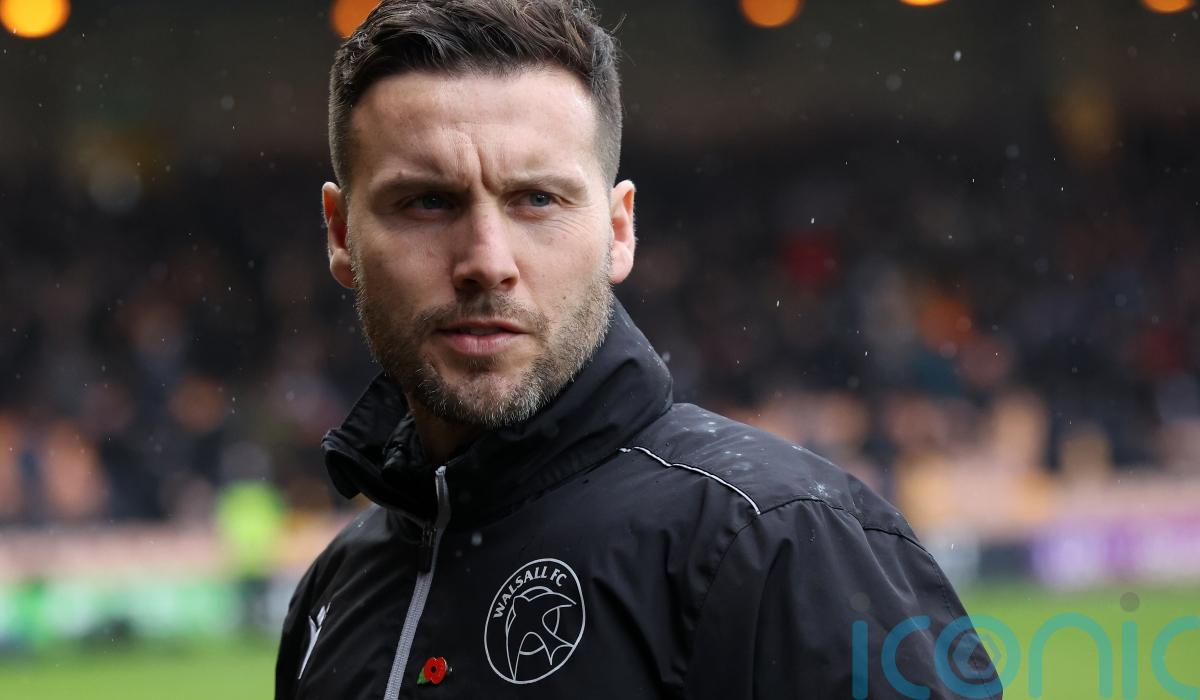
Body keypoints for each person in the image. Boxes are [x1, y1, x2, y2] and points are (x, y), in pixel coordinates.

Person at [275, 1, 1001, 698]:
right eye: (427, 202)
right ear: (340, 234)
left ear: (619, 231)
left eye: (537, 200)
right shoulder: (335, 593)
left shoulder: (782, 542)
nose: (487, 262)